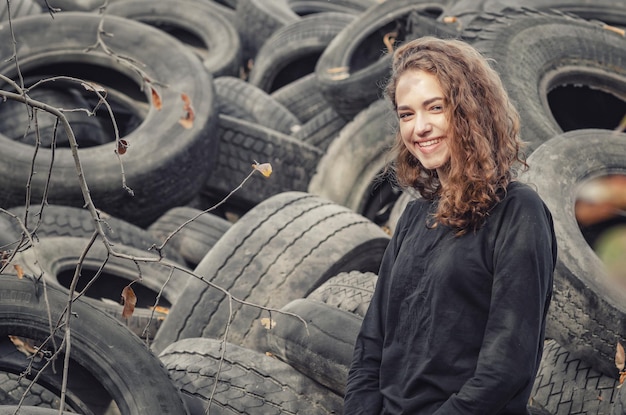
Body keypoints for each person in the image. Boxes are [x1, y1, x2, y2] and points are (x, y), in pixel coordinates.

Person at [343, 36, 558, 414]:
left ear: (470, 110)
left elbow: (506, 368)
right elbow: (371, 343)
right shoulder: (413, 217)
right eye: (406, 114)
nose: (419, 127)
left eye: (435, 108)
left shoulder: (519, 212)